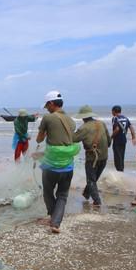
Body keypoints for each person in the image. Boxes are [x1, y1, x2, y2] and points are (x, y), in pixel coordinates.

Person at [35, 90, 80, 234]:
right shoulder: (71, 120)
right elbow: (67, 140)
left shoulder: (48, 118)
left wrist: (45, 132)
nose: (46, 108)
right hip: (67, 165)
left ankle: (53, 216)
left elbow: (39, 139)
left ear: (51, 103)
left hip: (51, 166)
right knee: (62, 195)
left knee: (48, 192)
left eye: (47, 105)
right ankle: (55, 222)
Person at [73, 105, 112, 206]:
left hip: (92, 158)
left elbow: (74, 139)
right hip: (104, 156)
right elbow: (109, 141)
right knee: (94, 178)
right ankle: (86, 194)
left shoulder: (83, 128)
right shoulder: (101, 123)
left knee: (91, 180)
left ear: (83, 117)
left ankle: (97, 201)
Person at [111, 105, 136, 171]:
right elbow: (131, 127)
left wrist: (111, 137)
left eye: (112, 111)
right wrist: (133, 137)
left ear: (114, 111)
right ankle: (121, 171)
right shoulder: (125, 118)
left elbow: (117, 129)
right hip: (123, 141)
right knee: (121, 157)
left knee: (117, 158)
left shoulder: (115, 118)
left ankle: (119, 173)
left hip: (117, 141)